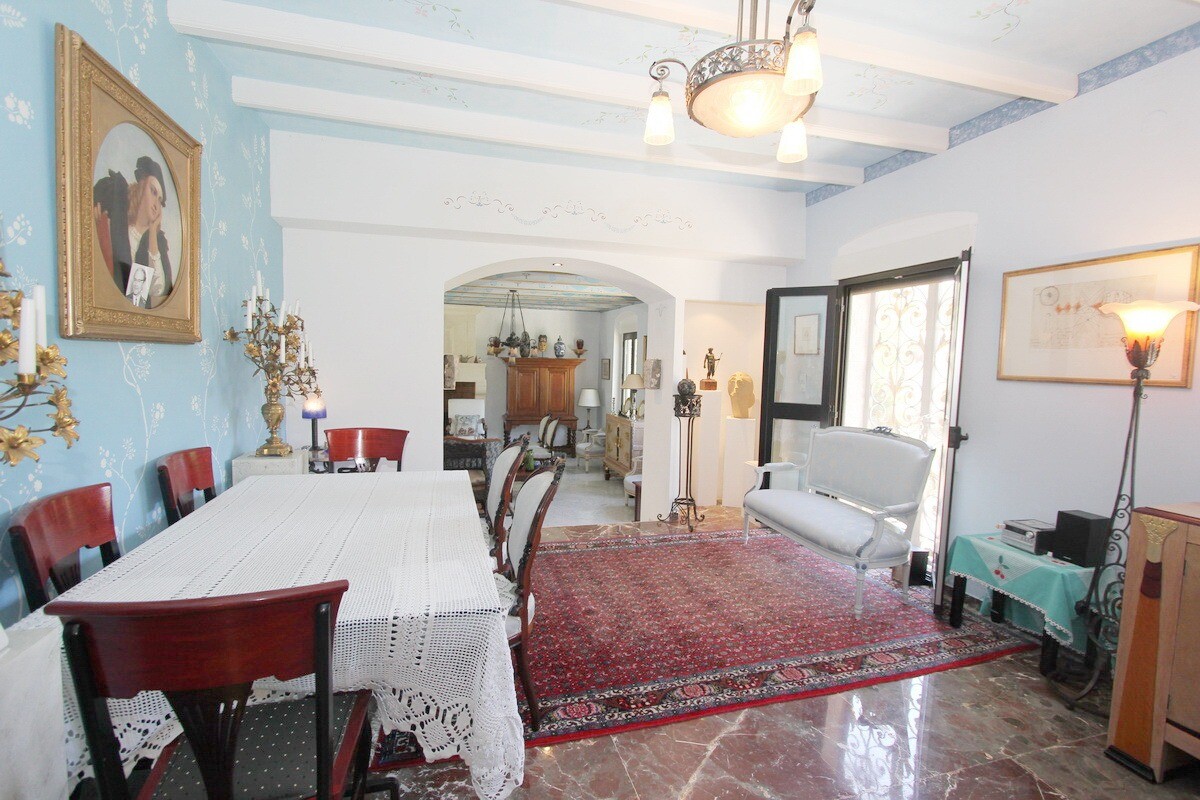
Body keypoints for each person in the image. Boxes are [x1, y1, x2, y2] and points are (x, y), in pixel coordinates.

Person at [93, 154, 173, 308]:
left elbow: (153, 292)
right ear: (141, 187)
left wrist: (152, 233)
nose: (156, 204)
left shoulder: (152, 243)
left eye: (160, 199)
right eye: (153, 191)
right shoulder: (116, 217)